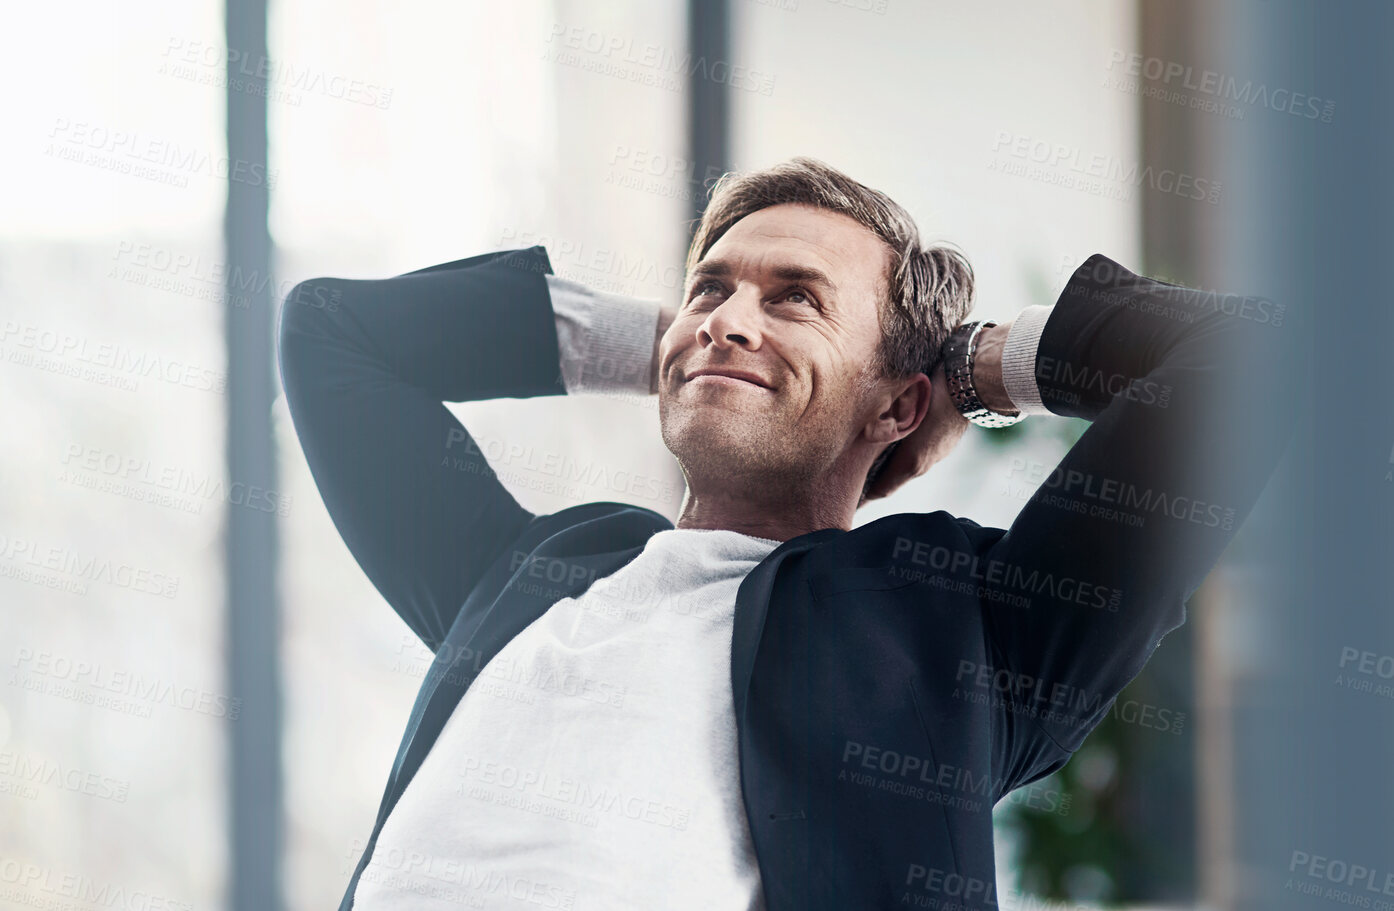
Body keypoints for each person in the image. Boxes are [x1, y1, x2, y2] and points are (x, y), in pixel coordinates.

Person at [278, 157, 1289, 909]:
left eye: (794, 297)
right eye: (711, 286)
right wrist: (684, 346)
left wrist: (972, 366)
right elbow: (331, 331)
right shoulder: (528, 573)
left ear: (896, 405)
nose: (727, 315)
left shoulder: (971, 627)